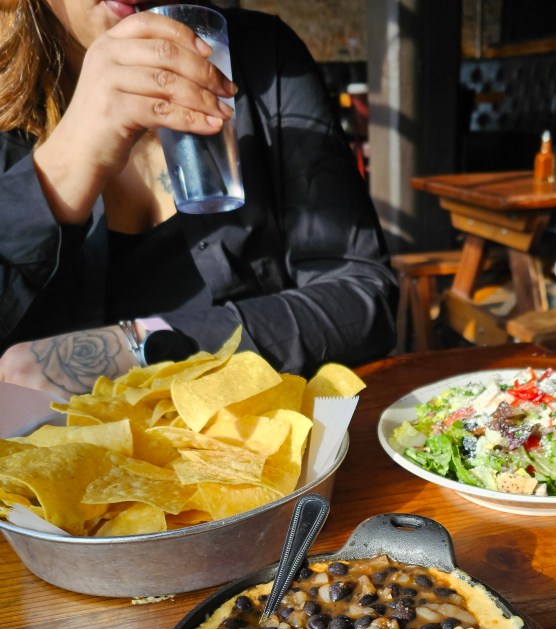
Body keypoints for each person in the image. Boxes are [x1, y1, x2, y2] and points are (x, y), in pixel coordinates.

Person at [0, 0, 397, 398]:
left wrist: (141, 345)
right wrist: (64, 166)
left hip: (259, 431)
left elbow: (362, 297)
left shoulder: (256, 56)